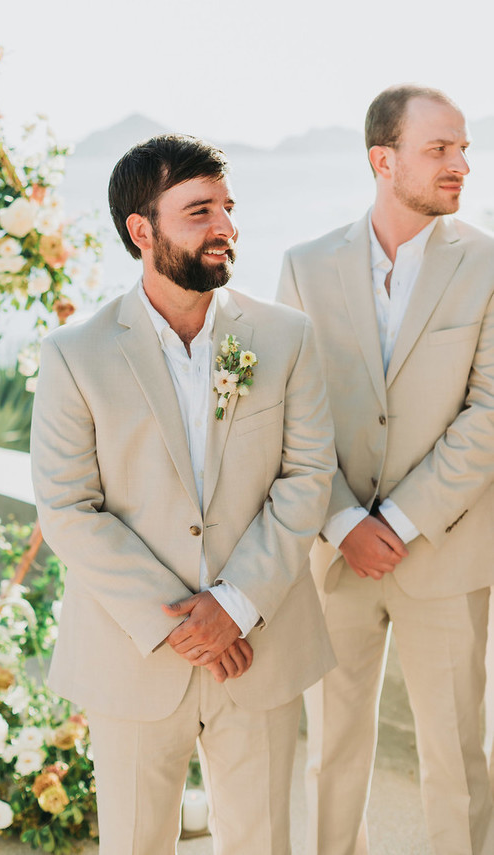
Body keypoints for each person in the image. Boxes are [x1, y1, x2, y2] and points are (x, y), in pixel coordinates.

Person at [31, 133, 337, 855]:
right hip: (133, 656)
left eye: (228, 206)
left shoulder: (286, 337)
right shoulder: (76, 355)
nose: (225, 225)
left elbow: (307, 478)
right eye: (199, 210)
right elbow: (69, 505)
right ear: (142, 231)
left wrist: (233, 605)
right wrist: (178, 622)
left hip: (260, 647)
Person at [277, 84, 494, 855]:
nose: (461, 164)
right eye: (440, 148)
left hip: (448, 549)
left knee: (457, 759)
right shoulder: (304, 268)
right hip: (333, 560)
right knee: (331, 757)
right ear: (383, 159)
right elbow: (290, 415)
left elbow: (489, 414)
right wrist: (343, 523)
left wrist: (396, 522)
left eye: (465, 148)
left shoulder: (488, 264)